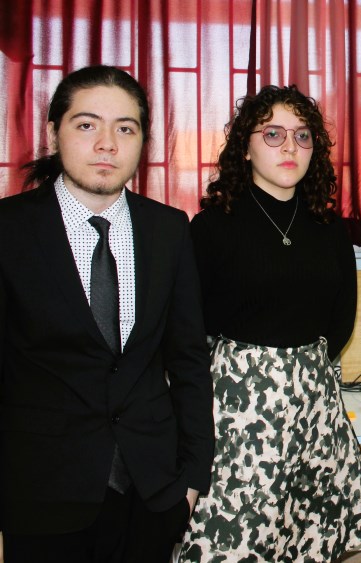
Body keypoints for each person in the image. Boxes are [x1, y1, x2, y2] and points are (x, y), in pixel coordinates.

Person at [0, 65, 214, 562]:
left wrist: (192, 478)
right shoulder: (10, 230)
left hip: (153, 491)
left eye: (125, 128)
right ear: (53, 132)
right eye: (87, 124)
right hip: (40, 494)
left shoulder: (168, 229)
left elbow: (188, 359)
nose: (107, 144)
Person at [178, 85, 361, 561]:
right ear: (245, 148)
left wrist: (300, 369)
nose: (290, 146)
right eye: (273, 134)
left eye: (302, 135)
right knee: (236, 540)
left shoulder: (329, 228)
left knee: (306, 535)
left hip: (314, 402)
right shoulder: (211, 228)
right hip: (237, 411)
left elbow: (342, 317)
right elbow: (189, 326)